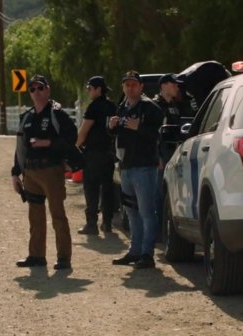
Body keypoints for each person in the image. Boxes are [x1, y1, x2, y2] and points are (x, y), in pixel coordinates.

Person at [11, 75, 78, 270]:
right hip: (31, 172)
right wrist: (16, 173)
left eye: (40, 88)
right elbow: (20, 147)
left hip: (51, 170)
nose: (36, 92)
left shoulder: (57, 115)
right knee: (35, 215)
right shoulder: (27, 117)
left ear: (48, 90)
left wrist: (48, 143)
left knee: (57, 214)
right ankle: (36, 255)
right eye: (32, 89)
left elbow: (71, 138)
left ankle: (64, 258)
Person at [108, 71, 165, 269]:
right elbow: (116, 135)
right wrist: (112, 126)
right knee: (131, 211)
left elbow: (157, 133)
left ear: (141, 87)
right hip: (126, 167)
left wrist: (139, 127)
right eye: (127, 85)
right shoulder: (122, 107)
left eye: (134, 84)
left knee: (147, 212)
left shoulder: (150, 108)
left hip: (144, 167)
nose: (130, 88)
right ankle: (135, 251)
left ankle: (147, 254)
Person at [75, 76, 118, 235]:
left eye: (90, 88)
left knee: (91, 188)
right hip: (108, 153)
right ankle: (107, 223)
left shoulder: (94, 107)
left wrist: (76, 146)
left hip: (93, 153)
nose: (88, 91)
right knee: (107, 188)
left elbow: (84, 129)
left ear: (98, 89)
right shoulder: (112, 106)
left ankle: (91, 223)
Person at [154, 73, 196, 220]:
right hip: (161, 154)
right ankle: (157, 228)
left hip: (174, 152)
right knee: (159, 192)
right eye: (173, 84)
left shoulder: (176, 105)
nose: (177, 87)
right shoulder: (155, 106)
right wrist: (157, 157)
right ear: (164, 86)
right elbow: (153, 134)